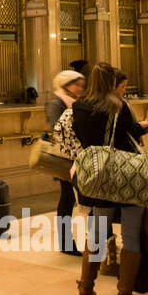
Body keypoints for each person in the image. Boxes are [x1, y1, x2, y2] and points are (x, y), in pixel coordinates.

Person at [71, 62, 146, 295]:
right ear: (112, 82)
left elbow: (83, 139)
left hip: (100, 178)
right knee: (131, 235)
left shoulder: (78, 107)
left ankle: (87, 288)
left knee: (97, 234)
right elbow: (130, 134)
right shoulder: (119, 106)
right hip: (126, 176)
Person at [44, 69, 86, 255]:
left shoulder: (75, 102)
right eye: (76, 84)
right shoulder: (56, 102)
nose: (79, 88)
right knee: (67, 198)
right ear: (65, 85)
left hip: (77, 156)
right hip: (66, 157)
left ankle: (68, 243)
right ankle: (65, 243)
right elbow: (57, 127)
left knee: (69, 199)